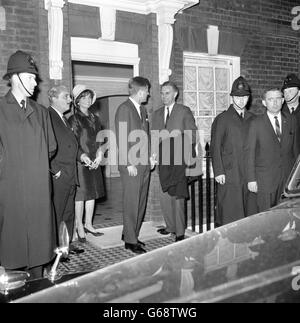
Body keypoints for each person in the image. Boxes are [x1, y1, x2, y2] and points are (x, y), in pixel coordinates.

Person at [0, 50, 57, 278]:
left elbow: (51, 146)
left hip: (38, 194)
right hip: (10, 193)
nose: (36, 83)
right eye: (31, 77)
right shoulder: (0, 110)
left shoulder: (41, 112)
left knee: (38, 257)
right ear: (15, 77)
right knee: (12, 251)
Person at [151, 81, 199, 242]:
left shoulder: (184, 111)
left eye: (168, 93)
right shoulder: (156, 114)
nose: (164, 96)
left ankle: (179, 232)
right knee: (165, 195)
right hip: (162, 162)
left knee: (178, 197)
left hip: (178, 160)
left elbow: (192, 135)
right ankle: (170, 226)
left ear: (175, 94)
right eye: (162, 93)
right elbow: (152, 138)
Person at [48, 85, 92, 258]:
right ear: (54, 98)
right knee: (57, 213)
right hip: (59, 176)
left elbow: (72, 144)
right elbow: (44, 146)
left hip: (71, 173)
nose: (69, 100)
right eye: (66, 96)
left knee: (68, 213)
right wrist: (55, 171)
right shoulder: (48, 116)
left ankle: (66, 246)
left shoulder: (63, 118)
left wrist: (82, 157)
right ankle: (55, 249)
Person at [210, 76, 255, 226]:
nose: (241, 100)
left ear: (248, 98)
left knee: (248, 211)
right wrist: (218, 171)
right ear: (232, 98)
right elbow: (215, 146)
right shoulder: (222, 119)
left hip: (248, 173)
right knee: (230, 211)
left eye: (244, 97)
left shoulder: (253, 119)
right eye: (237, 97)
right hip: (230, 174)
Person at [115, 77, 152, 254]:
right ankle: (130, 241)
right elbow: (122, 138)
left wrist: (151, 157)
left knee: (140, 202)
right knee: (132, 202)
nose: (148, 94)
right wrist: (128, 162)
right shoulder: (124, 109)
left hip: (144, 163)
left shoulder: (142, 109)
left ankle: (131, 233)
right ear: (139, 91)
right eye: (146, 91)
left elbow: (146, 135)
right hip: (131, 164)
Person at [246, 88, 299, 213]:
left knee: (287, 218)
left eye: (278, 99)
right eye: (270, 99)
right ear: (264, 103)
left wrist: (297, 179)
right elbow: (249, 153)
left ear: (282, 101)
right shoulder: (255, 123)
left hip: (287, 181)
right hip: (265, 181)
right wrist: (251, 179)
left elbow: (296, 151)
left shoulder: (292, 120)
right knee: (266, 219)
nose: (275, 103)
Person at [68, 84, 105, 242]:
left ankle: (89, 224)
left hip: (94, 160)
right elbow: (72, 142)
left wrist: (100, 154)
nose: (88, 100)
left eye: (90, 97)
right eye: (84, 97)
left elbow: (100, 140)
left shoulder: (95, 119)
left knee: (93, 194)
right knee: (81, 196)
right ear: (77, 101)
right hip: (81, 162)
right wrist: (83, 156)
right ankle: (79, 226)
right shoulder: (74, 119)